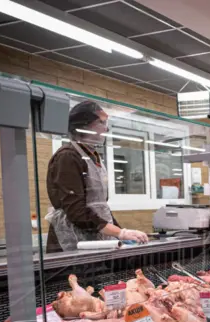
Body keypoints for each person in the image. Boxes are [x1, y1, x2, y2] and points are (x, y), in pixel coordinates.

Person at [45, 100, 149, 253]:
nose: (106, 128)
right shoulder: (67, 157)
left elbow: (100, 206)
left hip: (95, 239)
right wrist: (120, 233)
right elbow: (77, 212)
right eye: (101, 122)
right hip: (71, 243)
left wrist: (121, 232)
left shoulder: (92, 156)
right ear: (85, 125)